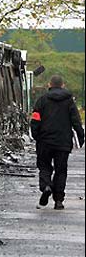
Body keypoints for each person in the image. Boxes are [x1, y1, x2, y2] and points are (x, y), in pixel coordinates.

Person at [31, 74, 84, 210]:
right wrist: (81, 136)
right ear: (63, 85)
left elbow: (35, 119)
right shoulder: (69, 101)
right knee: (61, 170)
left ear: (49, 85)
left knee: (44, 167)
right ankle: (59, 200)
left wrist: (36, 136)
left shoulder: (42, 100)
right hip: (63, 142)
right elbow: (76, 121)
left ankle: (46, 186)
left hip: (45, 141)